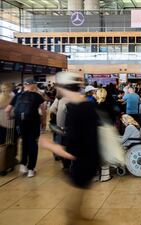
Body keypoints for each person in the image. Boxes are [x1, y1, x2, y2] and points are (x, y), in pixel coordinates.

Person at [39, 71, 100, 225]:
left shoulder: (74, 109)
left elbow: (73, 151)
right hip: (91, 162)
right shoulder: (88, 104)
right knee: (78, 211)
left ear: (61, 87)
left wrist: (49, 145)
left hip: (81, 166)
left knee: (71, 214)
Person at [5, 78, 46, 178]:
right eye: (35, 85)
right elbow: (43, 111)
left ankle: (23, 165)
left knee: (24, 142)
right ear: (32, 85)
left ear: (24, 85)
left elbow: (7, 110)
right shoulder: (38, 96)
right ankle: (31, 169)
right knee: (33, 144)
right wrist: (43, 123)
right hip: (33, 123)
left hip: (20, 124)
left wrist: (10, 117)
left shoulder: (17, 95)